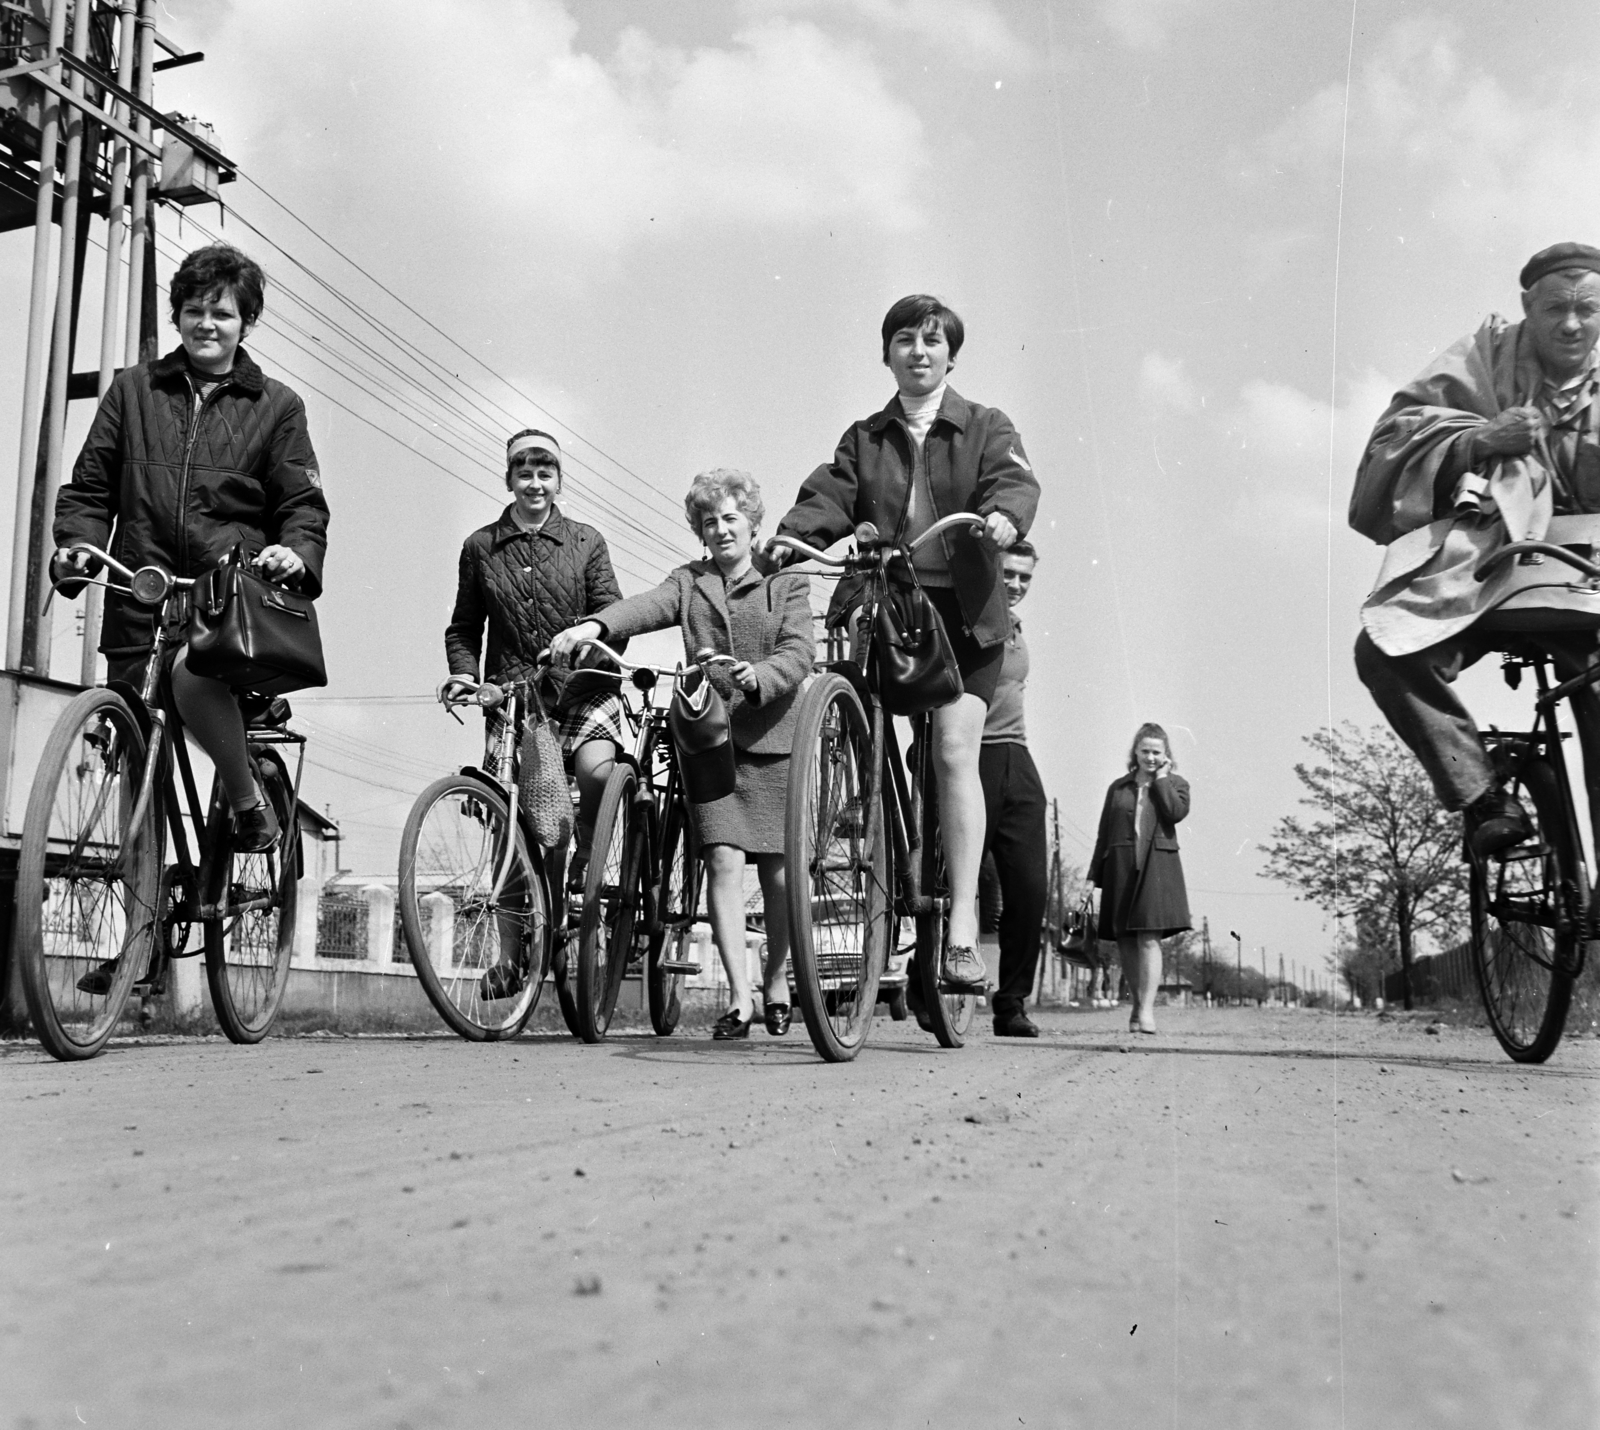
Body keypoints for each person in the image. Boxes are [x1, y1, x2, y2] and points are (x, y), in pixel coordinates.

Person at [764, 294, 1040, 994]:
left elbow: (1013, 478)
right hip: (894, 608)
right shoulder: (866, 437)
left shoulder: (985, 425)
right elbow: (829, 495)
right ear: (887, 353)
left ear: (951, 354)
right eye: (905, 341)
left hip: (969, 620)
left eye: (933, 341)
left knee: (952, 753)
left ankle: (961, 928)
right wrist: (793, 537)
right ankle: (879, 845)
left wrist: (1005, 518)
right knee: (869, 739)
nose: (919, 352)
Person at [54, 242, 330, 859]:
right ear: (176, 316)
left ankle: (248, 801)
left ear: (247, 324)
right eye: (195, 310)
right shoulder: (132, 391)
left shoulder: (277, 406)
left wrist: (295, 553)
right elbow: (90, 489)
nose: (208, 324)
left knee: (194, 677)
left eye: (224, 314)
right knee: (132, 766)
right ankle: (139, 945)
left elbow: (302, 506)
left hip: (224, 602)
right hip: (138, 591)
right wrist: (76, 548)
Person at [1351, 242, 1600, 855]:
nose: (1571, 323)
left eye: (1588, 308)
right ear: (1527, 308)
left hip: (1594, 583)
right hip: (1497, 568)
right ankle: (1483, 795)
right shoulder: (1484, 357)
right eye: (1555, 308)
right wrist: (1481, 439)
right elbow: (1392, 439)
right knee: (1383, 652)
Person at [551, 469, 813, 1040]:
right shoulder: (690, 581)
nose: (721, 530)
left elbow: (799, 652)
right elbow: (644, 607)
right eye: (710, 521)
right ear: (699, 529)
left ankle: (775, 980)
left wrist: (760, 675)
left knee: (778, 872)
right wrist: (596, 623)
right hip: (708, 740)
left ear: (752, 524)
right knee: (719, 858)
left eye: (731, 519)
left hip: (774, 742)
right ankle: (740, 1001)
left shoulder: (785, 580)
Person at [443, 429, 627, 999]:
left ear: (559, 481)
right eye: (524, 472)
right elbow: (464, 627)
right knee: (511, 826)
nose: (535, 483)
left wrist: (588, 641)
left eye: (545, 472)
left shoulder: (586, 542)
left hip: (585, 689)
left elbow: (613, 616)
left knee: (598, 774)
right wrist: (463, 674)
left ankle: (585, 866)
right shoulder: (480, 547)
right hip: (515, 700)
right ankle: (512, 956)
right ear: (509, 480)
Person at [973, 540, 1049, 1038]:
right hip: (969, 755)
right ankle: (922, 980)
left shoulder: (1018, 629)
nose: (1017, 584)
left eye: (1025, 576)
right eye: (1008, 574)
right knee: (953, 882)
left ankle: (1012, 1001)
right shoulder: (969, 618)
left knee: (1029, 890)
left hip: (1016, 757)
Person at [1088, 723, 1191, 1036]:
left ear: (1166, 755)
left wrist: (1160, 780)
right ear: (1134, 751)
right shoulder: (1118, 788)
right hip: (1119, 865)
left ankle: (1145, 1011)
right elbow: (1103, 835)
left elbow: (1175, 813)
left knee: (1148, 938)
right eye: (1145, 750)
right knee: (1126, 941)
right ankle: (1137, 1006)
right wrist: (1092, 877)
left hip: (1158, 866)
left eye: (1156, 752)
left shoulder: (1177, 783)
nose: (1150, 756)